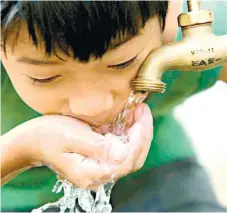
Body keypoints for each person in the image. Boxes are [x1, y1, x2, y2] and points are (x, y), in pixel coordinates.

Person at [1, 1, 227, 212]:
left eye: (122, 63)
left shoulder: (197, 45)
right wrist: (24, 149)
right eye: (45, 77)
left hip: (157, 172)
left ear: (170, 14)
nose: (92, 106)